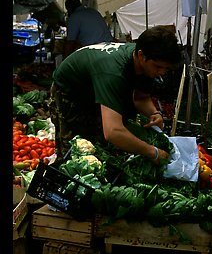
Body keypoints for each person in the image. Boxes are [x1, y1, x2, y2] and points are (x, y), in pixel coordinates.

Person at [49, 25, 183, 162]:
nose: (161, 72)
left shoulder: (145, 64)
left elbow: (141, 98)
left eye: (165, 68)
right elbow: (113, 132)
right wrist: (151, 152)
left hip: (96, 87)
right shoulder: (114, 72)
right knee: (74, 150)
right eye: (158, 67)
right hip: (71, 91)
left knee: (99, 144)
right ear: (141, 55)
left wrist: (154, 113)